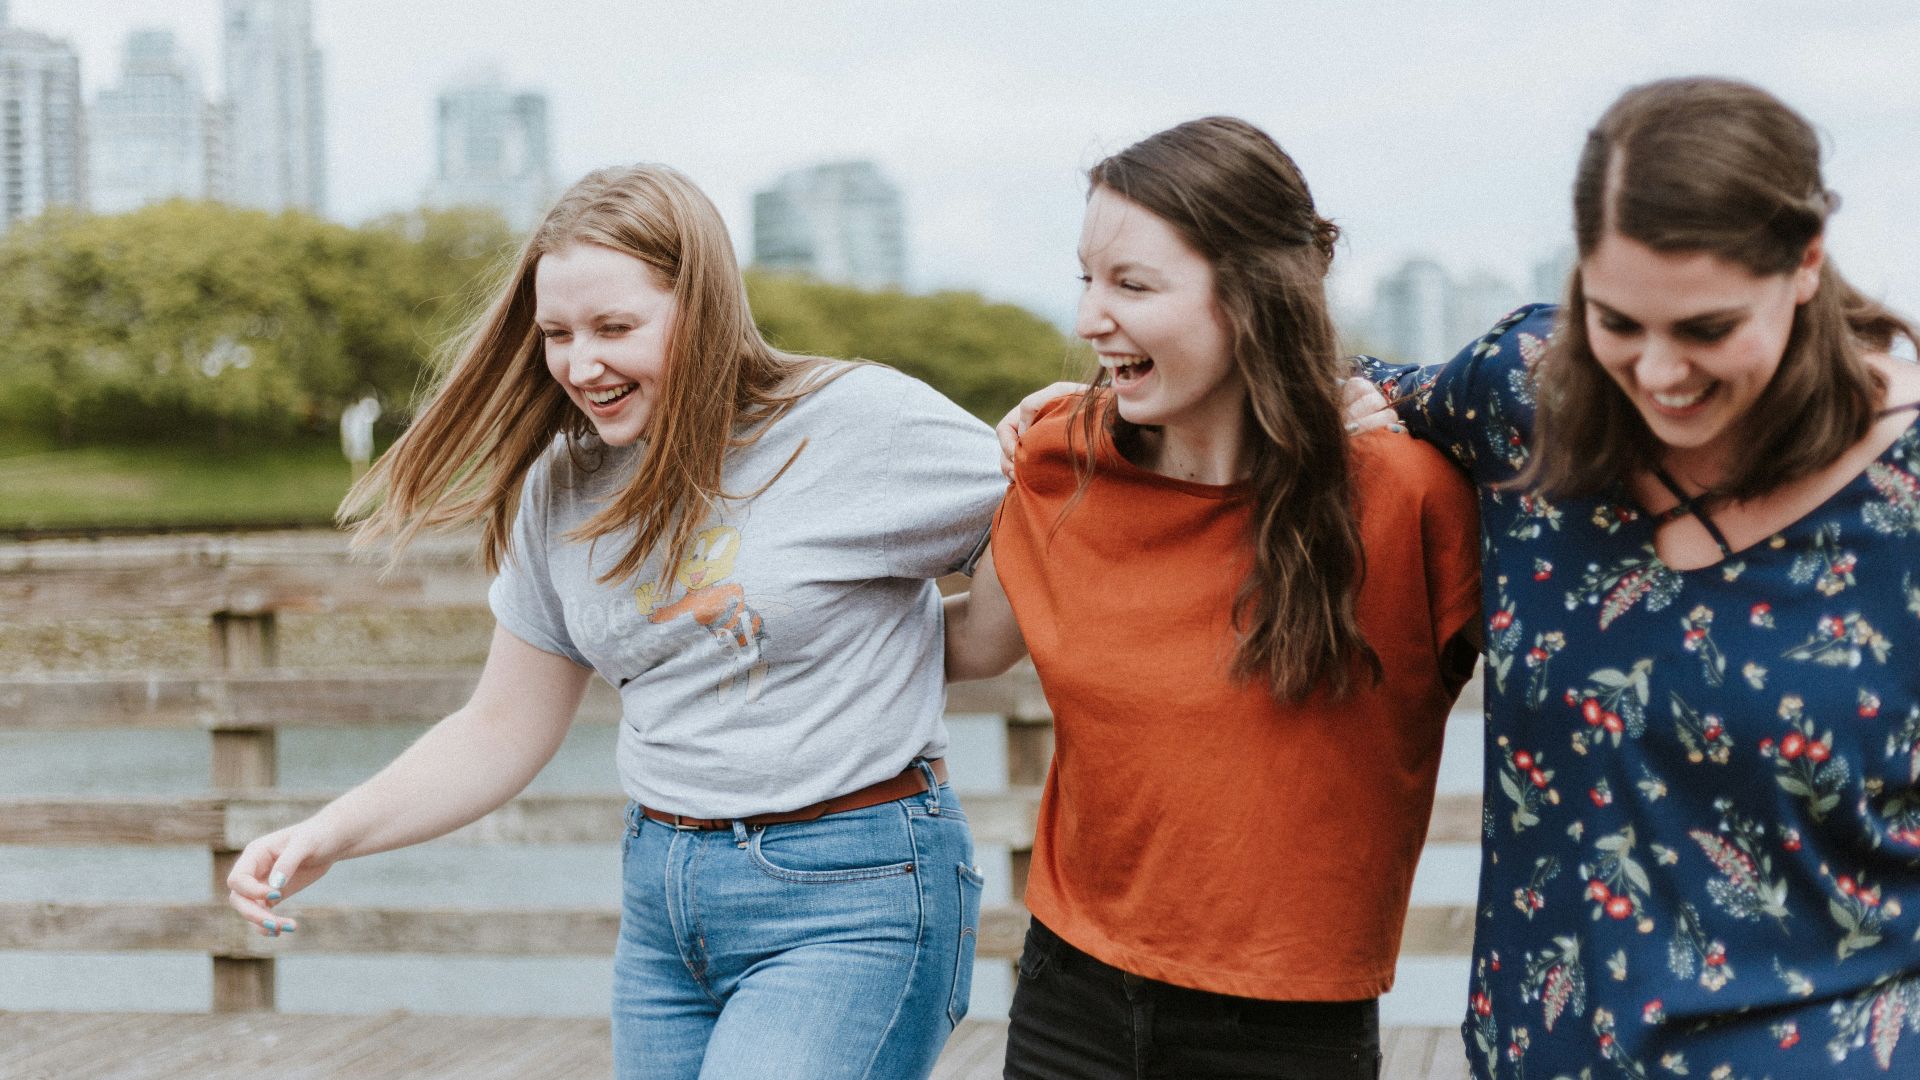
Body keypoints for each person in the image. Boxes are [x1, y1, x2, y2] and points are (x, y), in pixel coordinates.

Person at [223, 164, 1005, 1080]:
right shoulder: (562, 484)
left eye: (615, 328)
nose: (579, 365)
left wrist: (947, 646)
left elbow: (1049, 521)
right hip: (666, 900)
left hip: (853, 895)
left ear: (703, 308)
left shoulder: (853, 425)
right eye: (556, 333)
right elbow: (501, 725)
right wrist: (329, 832)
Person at [944, 116, 1482, 1079]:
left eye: (1132, 286)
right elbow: (969, 649)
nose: (1088, 319)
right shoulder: (1058, 460)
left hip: (1289, 1032)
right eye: (1086, 279)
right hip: (1069, 999)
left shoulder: (1407, 496)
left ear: (1252, 298)